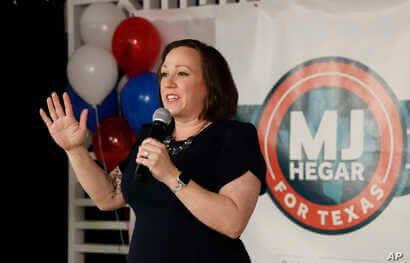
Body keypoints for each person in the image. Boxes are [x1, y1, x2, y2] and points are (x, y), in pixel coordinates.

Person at [40, 39, 266, 263]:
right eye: (165, 74)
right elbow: (108, 196)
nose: (168, 82)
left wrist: (170, 175)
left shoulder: (234, 136)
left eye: (182, 73)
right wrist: (75, 149)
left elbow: (233, 223)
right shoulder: (153, 135)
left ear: (210, 85)